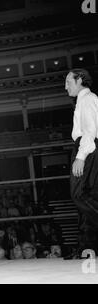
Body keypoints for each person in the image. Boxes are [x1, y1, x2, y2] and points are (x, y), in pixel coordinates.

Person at [65, 69, 98, 259]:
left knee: (79, 194)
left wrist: (81, 155)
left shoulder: (87, 99)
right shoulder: (83, 100)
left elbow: (90, 130)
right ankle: (88, 248)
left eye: (69, 82)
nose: (66, 86)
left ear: (80, 80)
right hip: (89, 147)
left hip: (87, 147)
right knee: (89, 196)